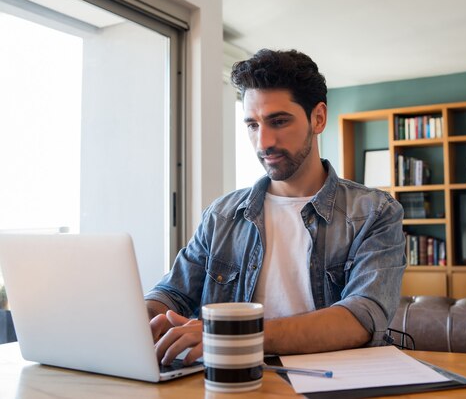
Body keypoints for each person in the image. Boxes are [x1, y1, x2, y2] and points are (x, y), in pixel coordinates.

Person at [145, 49, 406, 366]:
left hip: (333, 382)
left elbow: (362, 317)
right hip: (232, 380)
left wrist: (233, 334)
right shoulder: (222, 214)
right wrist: (139, 319)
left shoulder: (374, 212)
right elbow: (173, 294)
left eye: (278, 121)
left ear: (318, 118)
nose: (263, 142)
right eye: (252, 125)